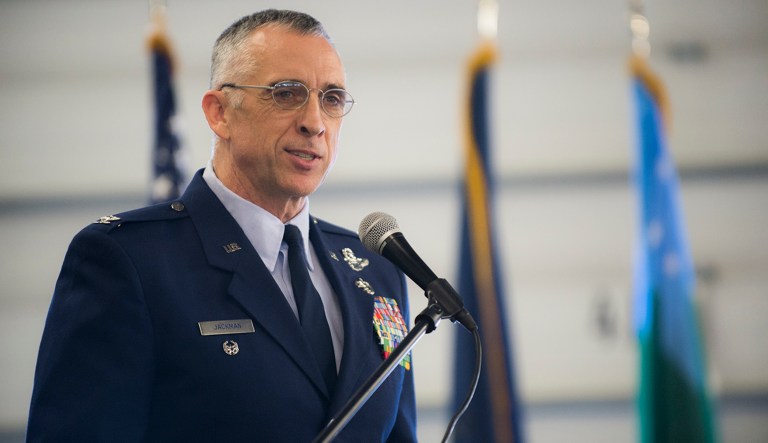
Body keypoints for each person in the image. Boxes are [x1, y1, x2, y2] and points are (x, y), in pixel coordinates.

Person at [27, 9, 416, 442]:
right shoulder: (129, 261)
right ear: (219, 113)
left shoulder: (375, 267)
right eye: (286, 93)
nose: (315, 123)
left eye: (332, 98)